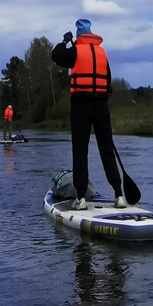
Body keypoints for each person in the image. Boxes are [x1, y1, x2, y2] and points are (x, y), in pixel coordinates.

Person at [50, 17, 126, 211]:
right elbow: (107, 79)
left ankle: (81, 198)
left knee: (80, 151)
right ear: (92, 34)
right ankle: (119, 195)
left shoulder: (75, 51)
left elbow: (56, 55)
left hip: (81, 106)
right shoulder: (102, 53)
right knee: (106, 149)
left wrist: (64, 41)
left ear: (78, 36)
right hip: (101, 106)